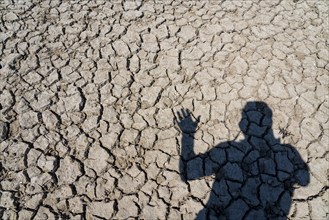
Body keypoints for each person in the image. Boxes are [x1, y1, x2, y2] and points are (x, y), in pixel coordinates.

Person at [176, 101, 309, 220]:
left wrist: (188, 134)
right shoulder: (288, 152)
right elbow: (304, 180)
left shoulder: (225, 151)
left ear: (241, 125)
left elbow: (187, 173)